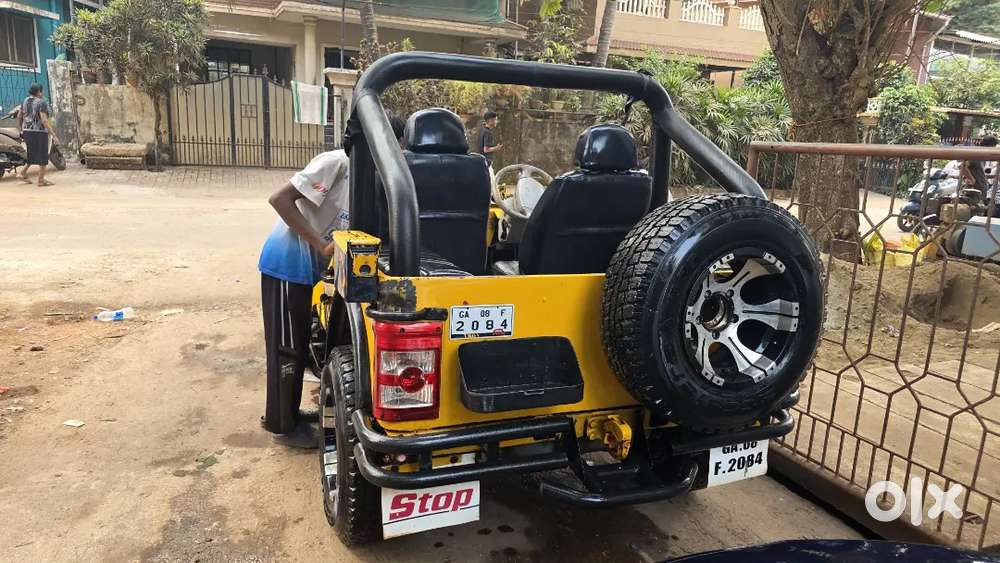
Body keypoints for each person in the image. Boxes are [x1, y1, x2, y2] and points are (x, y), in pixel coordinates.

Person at [258, 111, 405, 448]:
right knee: (286, 350)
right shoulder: (336, 163)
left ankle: (288, 413)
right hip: (285, 261)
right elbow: (279, 200)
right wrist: (320, 244)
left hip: (303, 267)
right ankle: (283, 427)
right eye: (392, 146)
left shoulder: (369, 180)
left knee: (295, 345)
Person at [16, 84, 60, 187]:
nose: (43, 93)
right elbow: (44, 120)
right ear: (39, 92)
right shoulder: (41, 102)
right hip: (39, 132)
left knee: (32, 153)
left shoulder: (24, 101)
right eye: (42, 91)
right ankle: (41, 180)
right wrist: (54, 135)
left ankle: (22, 173)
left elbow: (19, 116)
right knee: (43, 155)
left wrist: (20, 130)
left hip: (26, 131)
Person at [962, 135, 998, 202]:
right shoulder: (977, 155)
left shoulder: (982, 156)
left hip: (980, 191)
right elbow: (962, 166)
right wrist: (971, 179)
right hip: (974, 192)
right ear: (990, 146)